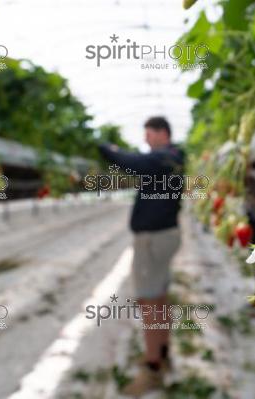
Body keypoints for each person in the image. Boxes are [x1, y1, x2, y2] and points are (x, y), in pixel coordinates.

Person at [98, 116, 184, 396]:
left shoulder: (165, 157)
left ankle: (152, 368)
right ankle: (162, 352)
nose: (145, 140)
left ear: (162, 133)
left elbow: (133, 163)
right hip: (162, 237)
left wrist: (106, 149)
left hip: (153, 240)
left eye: (148, 134)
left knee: (149, 300)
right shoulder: (171, 158)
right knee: (158, 296)